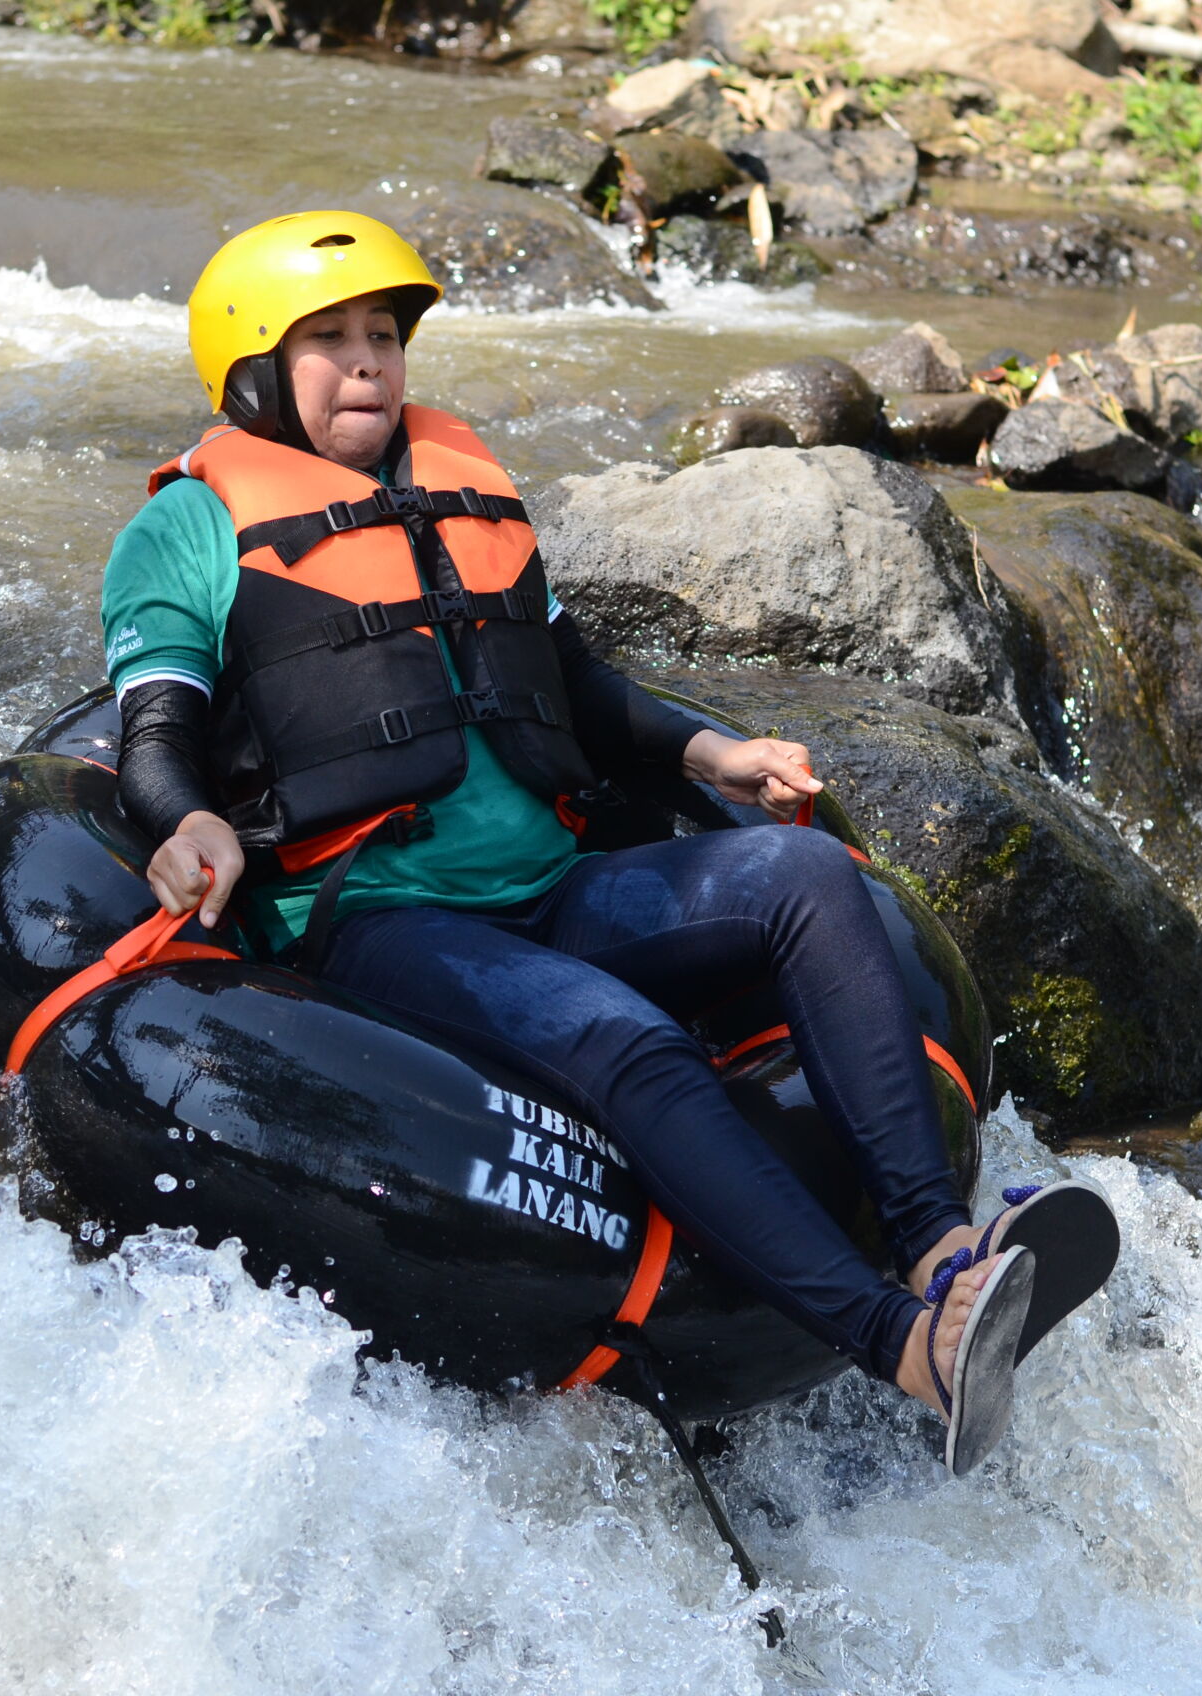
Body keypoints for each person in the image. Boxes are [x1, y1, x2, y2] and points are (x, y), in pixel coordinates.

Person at [101, 211, 1119, 1473]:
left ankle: (939, 1247)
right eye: (329, 342)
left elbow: (573, 678)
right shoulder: (189, 528)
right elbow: (156, 732)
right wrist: (188, 824)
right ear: (253, 371)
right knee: (616, 1034)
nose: (368, 363)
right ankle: (902, 1346)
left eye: (383, 336)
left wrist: (711, 755)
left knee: (801, 874)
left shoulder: (464, 486)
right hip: (380, 923)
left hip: (550, 885)